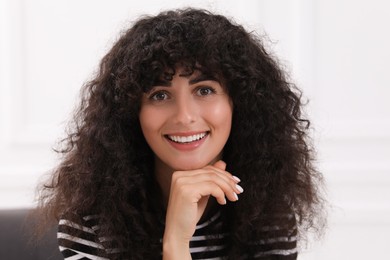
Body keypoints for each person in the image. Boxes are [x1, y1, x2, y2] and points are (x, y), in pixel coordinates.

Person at [36, 8, 325, 259]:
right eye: (160, 95)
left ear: (240, 103)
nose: (185, 116)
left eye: (205, 90)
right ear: (130, 113)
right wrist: (175, 243)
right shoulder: (91, 227)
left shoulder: (268, 218)